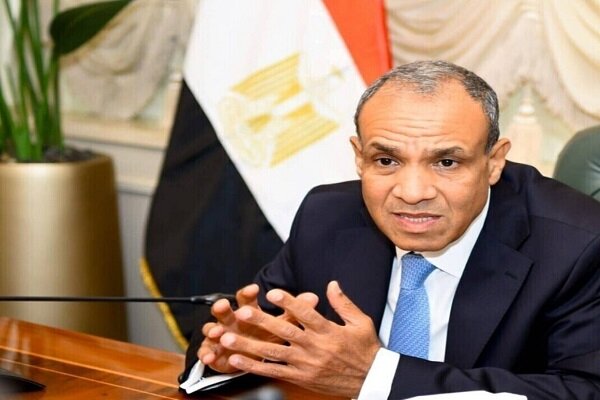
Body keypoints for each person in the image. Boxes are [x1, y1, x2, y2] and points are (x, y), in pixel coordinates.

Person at [182, 61, 600, 399]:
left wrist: (377, 376)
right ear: (359, 157)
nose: (412, 193)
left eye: (446, 162)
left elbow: (586, 391)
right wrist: (233, 355)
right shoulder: (327, 216)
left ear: (494, 162)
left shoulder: (578, 244)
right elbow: (258, 331)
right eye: (386, 161)